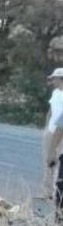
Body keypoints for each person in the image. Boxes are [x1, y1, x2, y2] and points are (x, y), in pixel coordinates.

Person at [42, 68, 63, 211]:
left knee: (58, 164)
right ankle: (47, 194)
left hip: (60, 132)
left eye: (54, 78)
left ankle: (56, 195)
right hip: (52, 132)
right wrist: (47, 128)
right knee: (48, 164)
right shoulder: (55, 93)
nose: (52, 81)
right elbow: (50, 112)